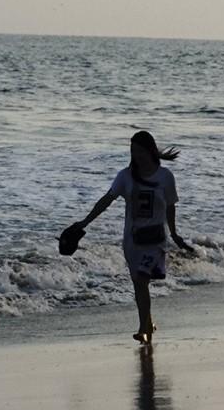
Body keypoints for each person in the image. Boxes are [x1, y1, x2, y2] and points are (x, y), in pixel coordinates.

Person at [75, 131, 194, 344]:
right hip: (132, 240)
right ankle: (148, 322)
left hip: (156, 240)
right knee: (139, 285)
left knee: (142, 280)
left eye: (139, 150)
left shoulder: (165, 176)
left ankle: (143, 329)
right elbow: (106, 200)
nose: (136, 155)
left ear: (149, 150)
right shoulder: (125, 176)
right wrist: (84, 223)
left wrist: (175, 234)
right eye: (132, 151)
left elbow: (170, 207)